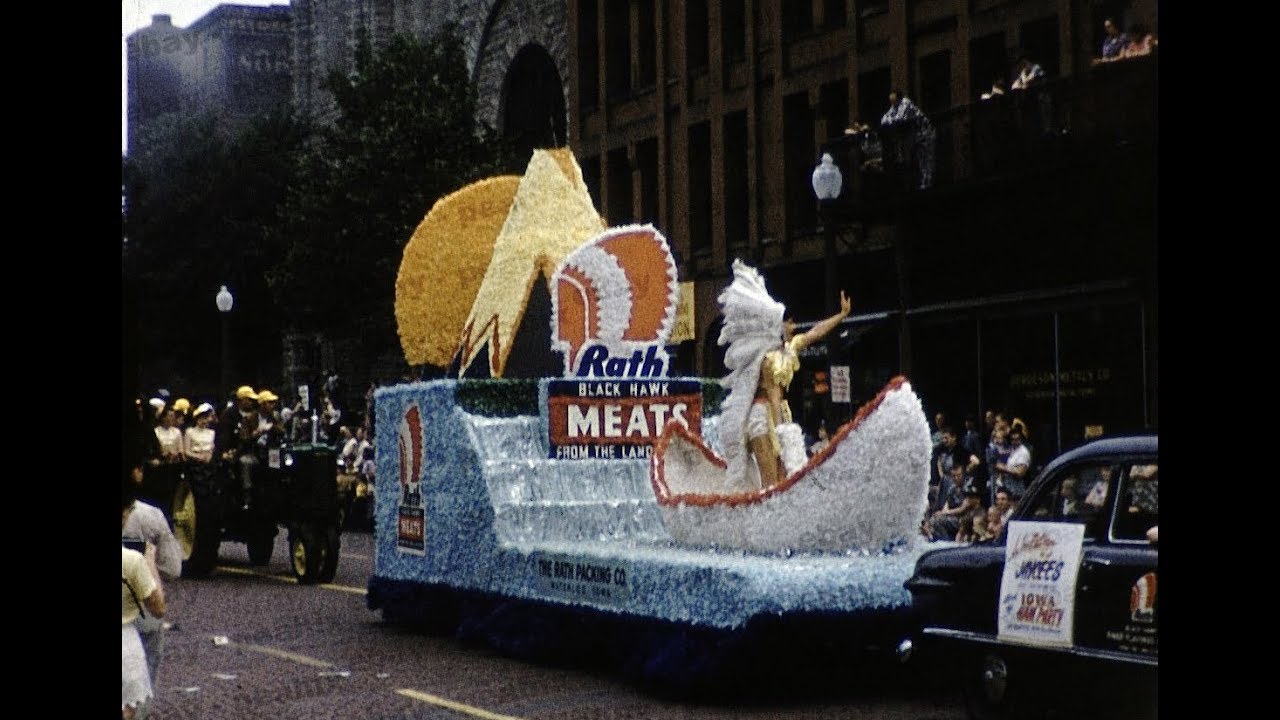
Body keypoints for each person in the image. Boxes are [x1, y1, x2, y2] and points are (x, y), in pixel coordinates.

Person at [716, 260, 851, 492]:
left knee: (784, 478)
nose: (793, 325)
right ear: (779, 325)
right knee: (771, 483)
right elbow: (773, 394)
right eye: (789, 322)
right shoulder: (767, 358)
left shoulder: (790, 349)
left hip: (780, 415)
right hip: (762, 417)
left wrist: (841, 315)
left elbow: (815, 332)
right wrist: (782, 430)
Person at [123, 467, 182, 708]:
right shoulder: (151, 516)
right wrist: (149, 560)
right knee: (140, 693)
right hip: (140, 610)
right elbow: (172, 569)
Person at [123, 482, 167, 720]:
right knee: (131, 709)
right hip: (127, 638)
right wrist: (149, 559)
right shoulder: (131, 560)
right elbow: (158, 607)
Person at [880, 89, 937, 190]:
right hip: (916, 135)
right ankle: (923, 183)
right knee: (920, 159)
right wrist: (890, 119)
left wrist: (891, 120)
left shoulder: (906, 104)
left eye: (893, 101)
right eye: (891, 102)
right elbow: (884, 119)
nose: (892, 104)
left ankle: (929, 183)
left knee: (926, 158)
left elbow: (900, 118)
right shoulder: (895, 106)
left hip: (926, 133)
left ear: (899, 99)